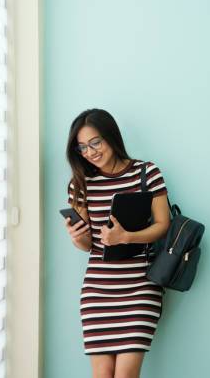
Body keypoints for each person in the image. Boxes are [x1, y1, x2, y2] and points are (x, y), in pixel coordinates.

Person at [64, 108, 170, 378]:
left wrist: (127, 237)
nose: (90, 152)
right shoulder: (80, 184)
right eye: (82, 148)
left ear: (111, 136)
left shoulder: (147, 173)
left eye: (95, 142)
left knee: (125, 375)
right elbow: (88, 245)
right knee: (102, 375)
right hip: (98, 289)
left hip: (139, 285)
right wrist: (78, 237)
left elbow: (162, 225)